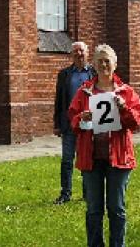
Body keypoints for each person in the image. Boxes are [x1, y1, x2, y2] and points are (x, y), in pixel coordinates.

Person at [68, 44, 140, 247]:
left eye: (107, 60)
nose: (103, 64)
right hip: (91, 158)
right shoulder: (84, 92)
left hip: (119, 158)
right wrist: (81, 118)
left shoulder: (127, 92)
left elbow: (137, 122)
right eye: (99, 60)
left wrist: (123, 107)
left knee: (116, 208)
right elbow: (73, 121)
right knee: (93, 208)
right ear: (93, 64)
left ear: (115, 64)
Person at [53, 41, 94, 204]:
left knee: (86, 160)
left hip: (88, 124)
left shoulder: (95, 73)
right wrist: (57, 123)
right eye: (75, 51)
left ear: (87, 53)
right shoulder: (64, 74)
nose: (79, 54)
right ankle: (65, 193)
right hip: (69, 125)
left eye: (81, 50)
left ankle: (87, 193)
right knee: (67, 160)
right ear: (71, 54)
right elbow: (59, 101)